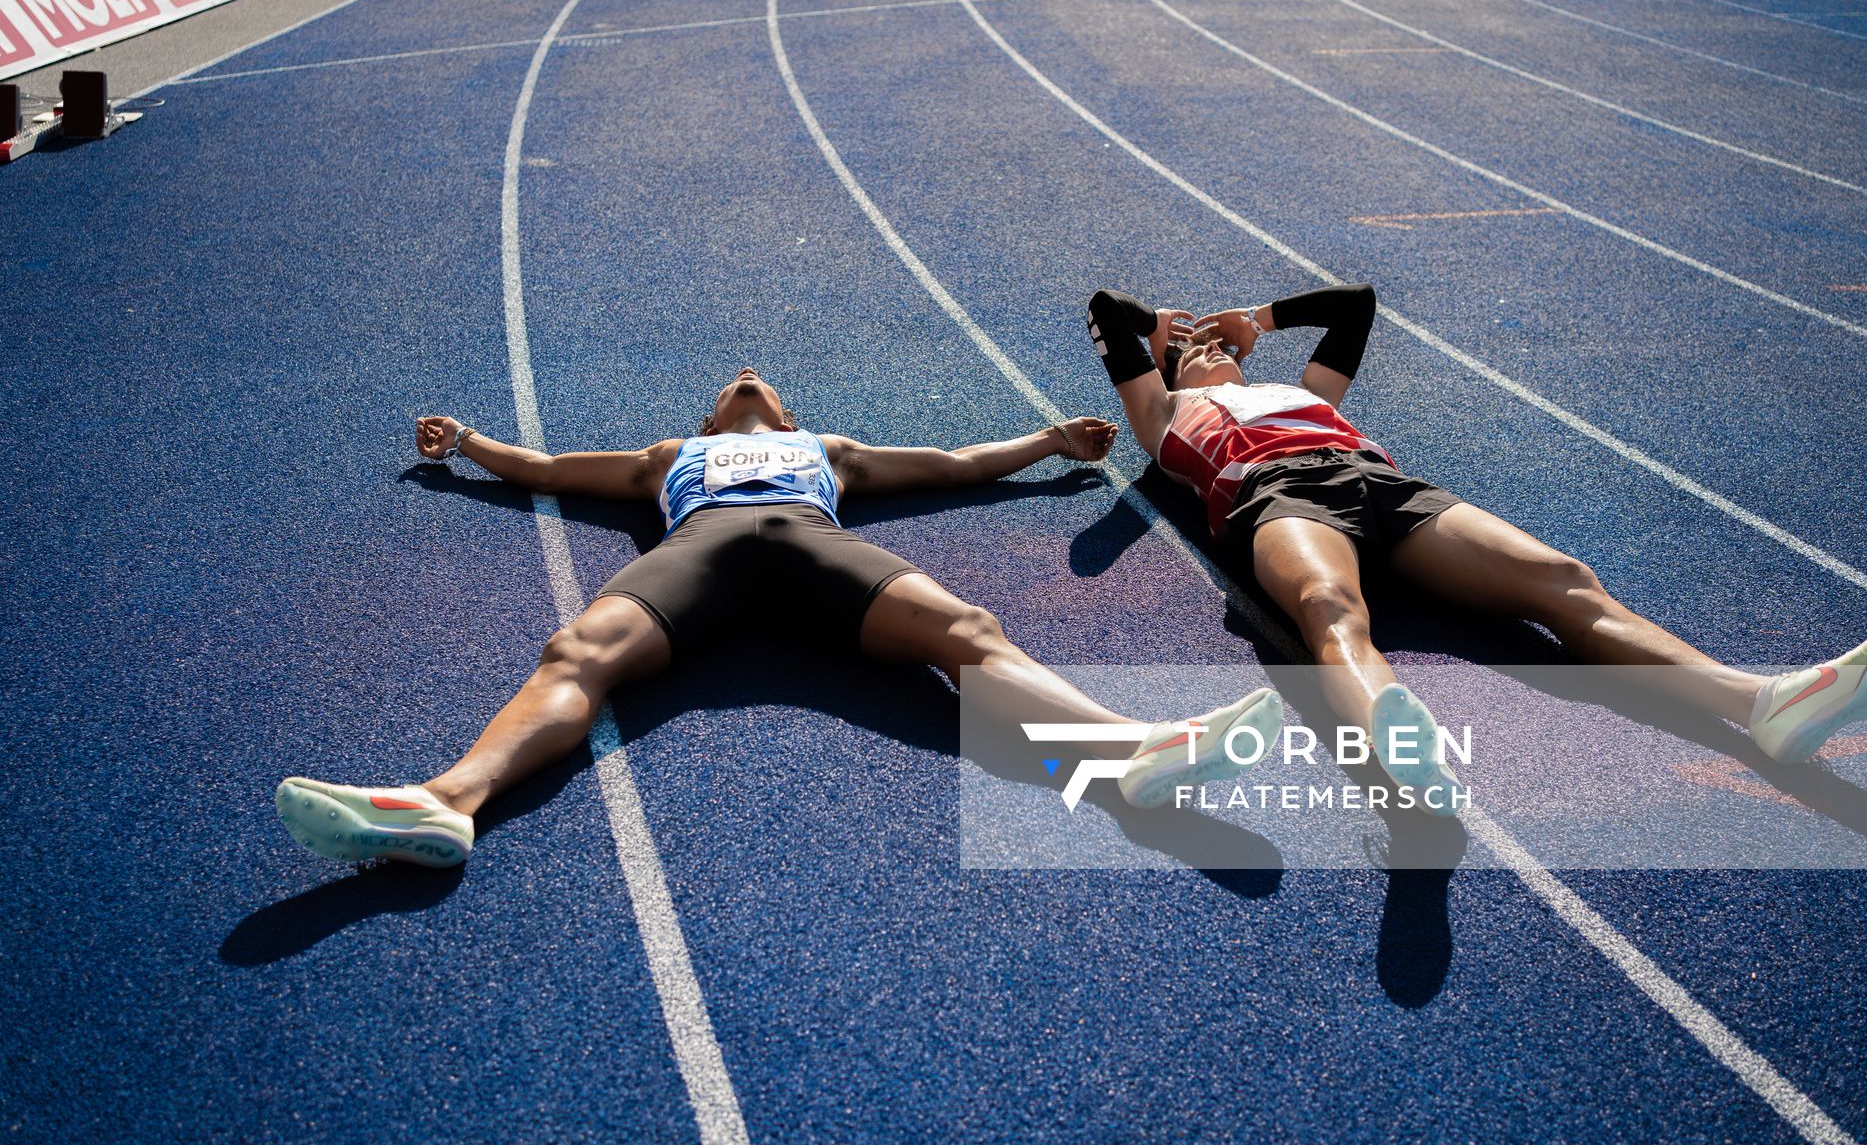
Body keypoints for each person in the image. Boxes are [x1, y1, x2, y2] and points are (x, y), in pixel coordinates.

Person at [276, 368, 1285, 866]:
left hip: (812, 539)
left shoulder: (829, 452)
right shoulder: (669, 456)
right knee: (575, 647)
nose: (750, 374)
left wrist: (1047, 440)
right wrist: (470, 441)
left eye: (769, 387)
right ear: (712, 422)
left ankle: (1126, 753)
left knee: (968, 632)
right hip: (700, 549)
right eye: (732, 387)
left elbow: (952, 464)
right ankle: (447, 800)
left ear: (792, 424)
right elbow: (545, 469)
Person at [1084, 285, 1867, 814]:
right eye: (1187, 351)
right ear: (1161, 375)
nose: (1209, 347)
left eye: (1216, 343)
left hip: (1386, 488)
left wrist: (1258, 319)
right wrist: (1158, 328)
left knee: (1561, 579)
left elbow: (1357, 303)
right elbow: (1107, 310)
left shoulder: (1305, 392)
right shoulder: (1161, 423)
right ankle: (1397, 742)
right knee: (1329, 611)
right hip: (1278, 497)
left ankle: (1761, 705)